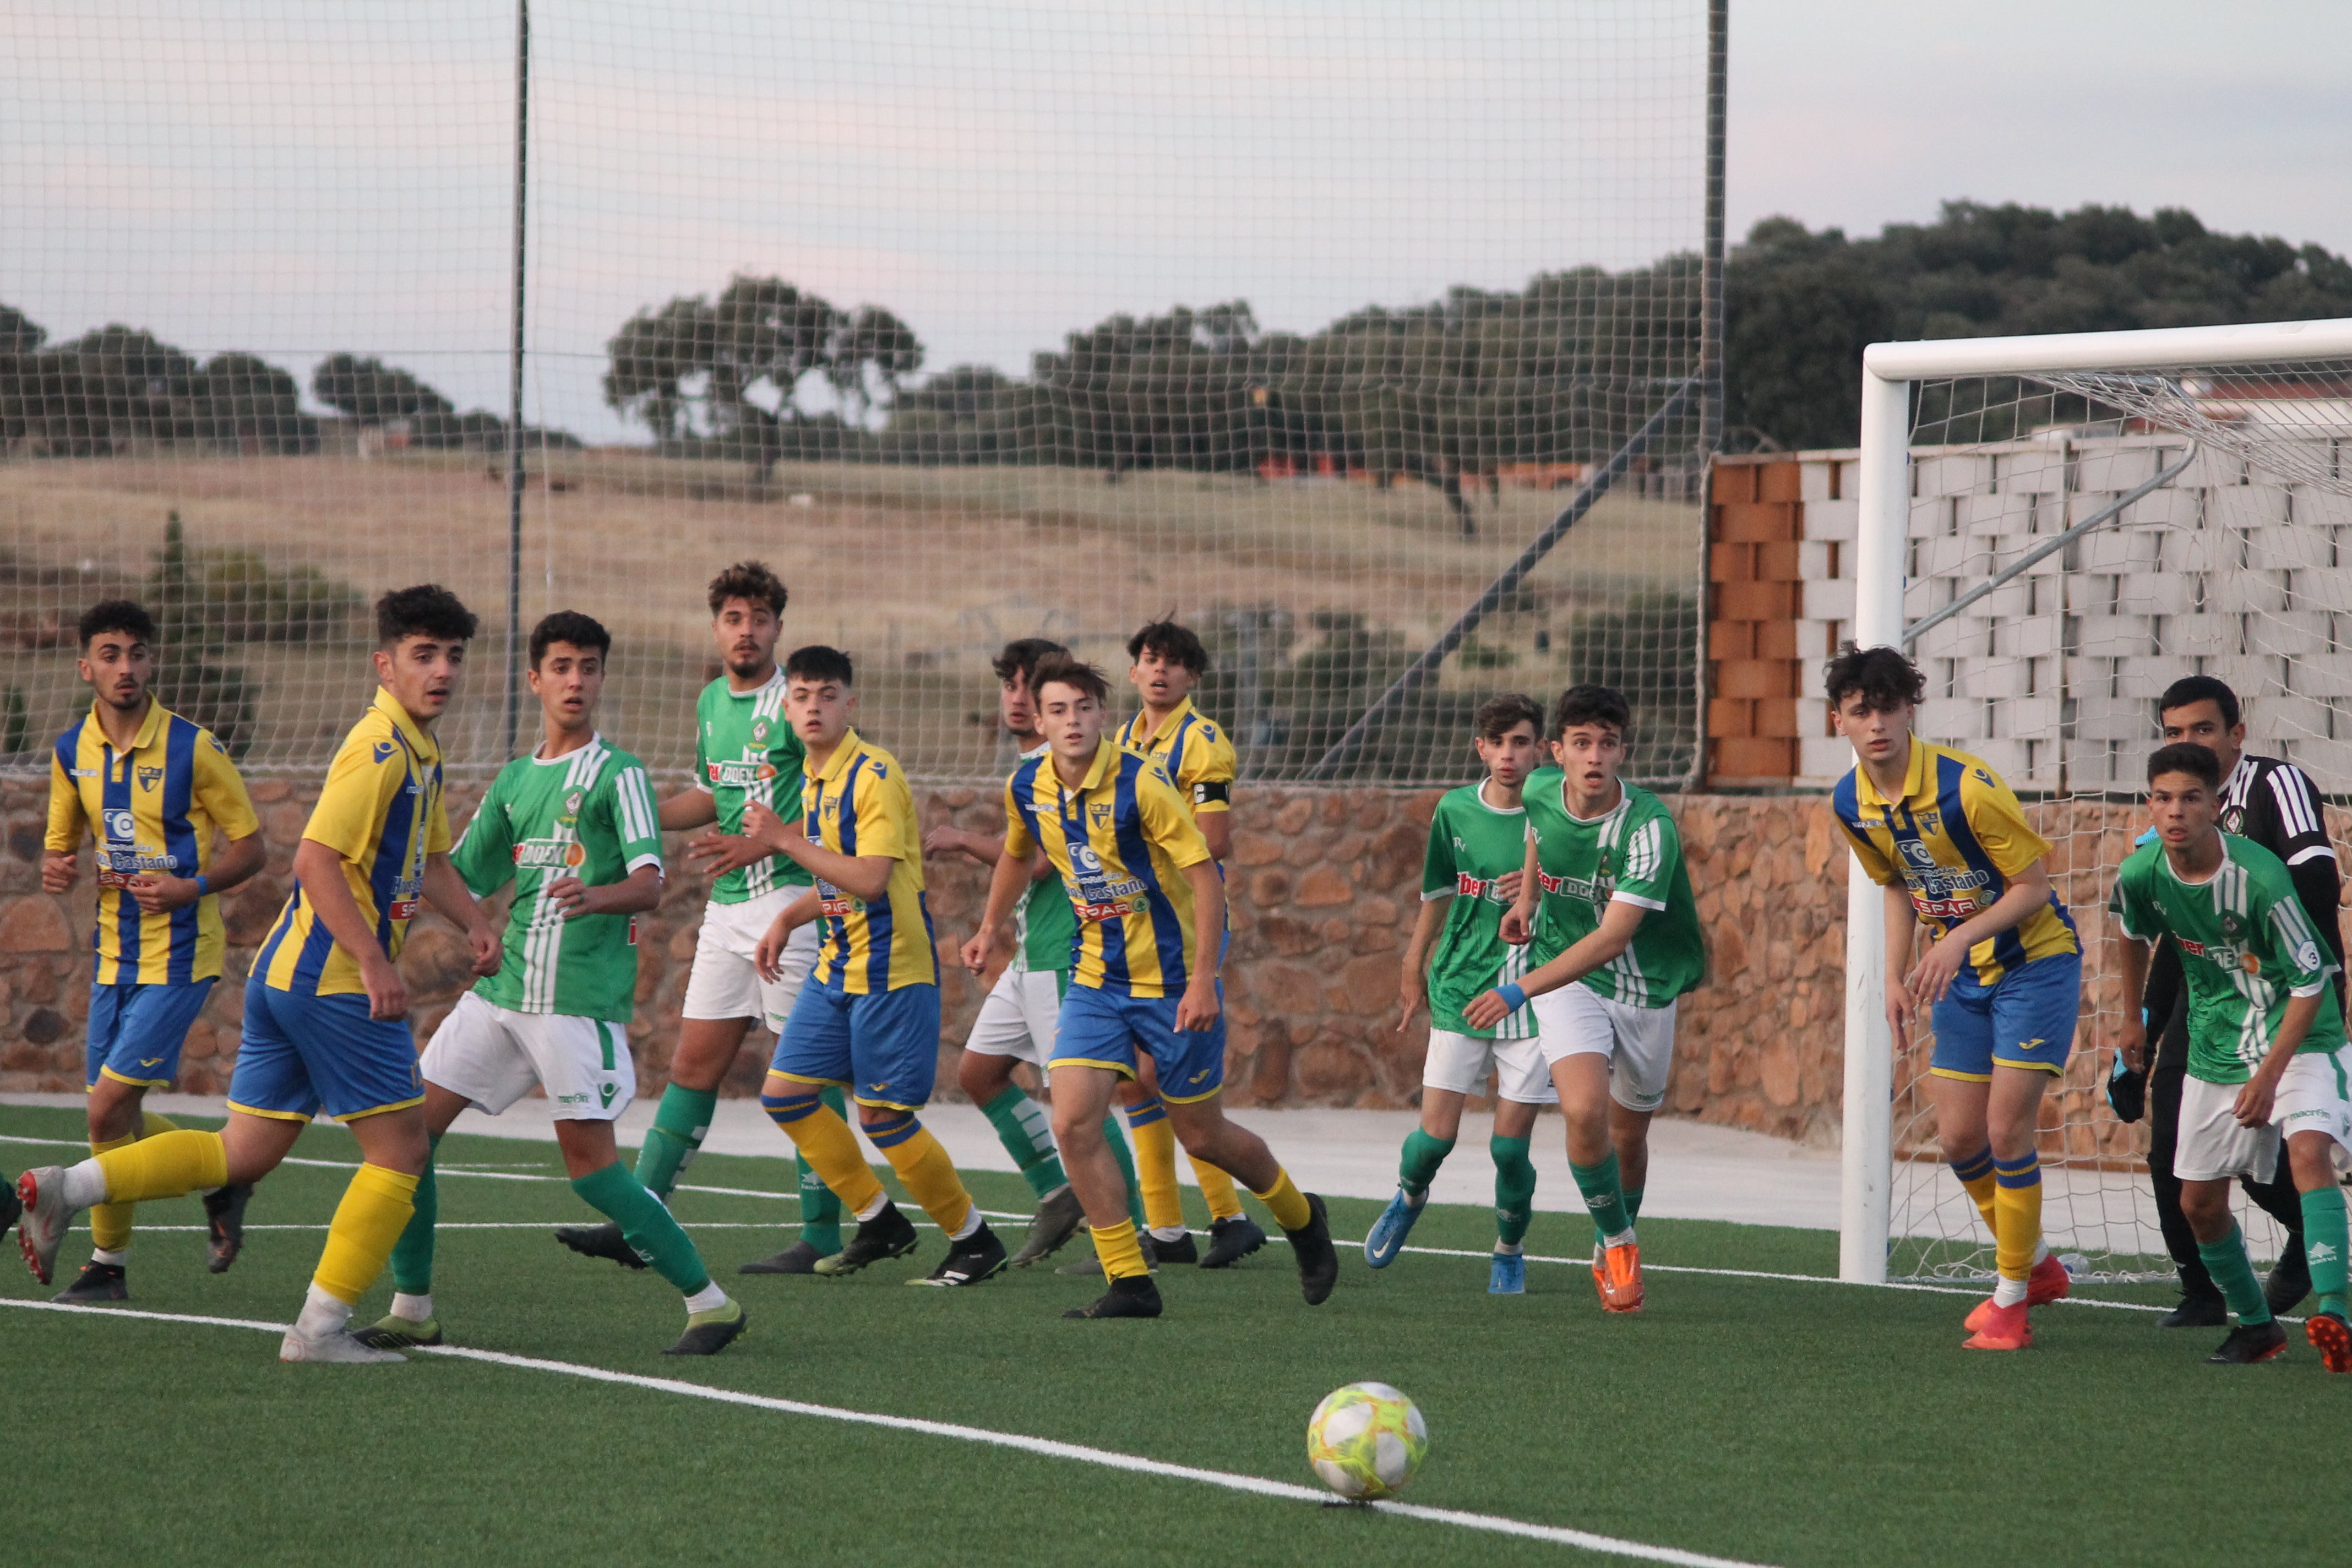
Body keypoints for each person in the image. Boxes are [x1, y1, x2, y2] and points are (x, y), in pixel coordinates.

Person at [19, 586, 502, 1363]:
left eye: (452, 656)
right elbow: (313, 861)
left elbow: (430, 858)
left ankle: (65, 1187)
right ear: (386, 664)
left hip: (287, 978)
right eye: (423, 655)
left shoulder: (420, 747)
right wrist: (375, 959)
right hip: (335, 984)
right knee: (402, 1153)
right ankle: (319, 1330)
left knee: (242, 1151)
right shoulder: (378, 749)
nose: (441, 670)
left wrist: (474, 920)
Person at [357, 612, 746, 1357]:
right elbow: (463, 876)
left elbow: (649, 882)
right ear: (534, 679)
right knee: (407, 1137)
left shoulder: (618, 774)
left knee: (592, 1173)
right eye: (562, 666)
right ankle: (412, 1307)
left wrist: (595, 895)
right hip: (502, 995)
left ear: (601, 678)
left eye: (589, 667)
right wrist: (404, 904)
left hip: (574, 1003)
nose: (576, 681)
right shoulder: (514, 780)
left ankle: (711, 1303)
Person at [963, 653, 1337, 1319]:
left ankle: (1302, 1217)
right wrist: (992, 926)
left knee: (1202, 1134)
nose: (1072, 721)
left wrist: (1202, 981)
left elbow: (1204, 877)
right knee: (1074, 1120)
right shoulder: (1027, 787)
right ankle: (1130, 1280)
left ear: (1103, 715)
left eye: (1083, 707)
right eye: (1057, 710)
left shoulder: (1143, 784)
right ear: (1039, 722)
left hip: (1171, 985)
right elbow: (1021, 853)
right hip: (1094, 980)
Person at [553, 562, 847, 1277]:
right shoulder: (713, 699)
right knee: (692, 1065)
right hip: (728, 906)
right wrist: (634, 809)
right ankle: (641, 1220)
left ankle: (828, 1232)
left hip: (790, 901)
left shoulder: (797, 701)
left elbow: (834, 794)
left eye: (760, 620)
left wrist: (765, 841)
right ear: (717, 627)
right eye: (734, 619)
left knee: (801, 1072)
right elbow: (711, 796)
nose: (747, 632)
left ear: (779, 627)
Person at [1820, 644, 2079, 1351]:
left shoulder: (1969, 788)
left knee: (2006, 1133)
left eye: (1888, 707)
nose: (1876, 723)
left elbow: (2033, 888)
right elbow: (1897, 883)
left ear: (1912, 709)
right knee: (1960, 1138)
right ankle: (2038, 1266)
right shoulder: (1851, 802)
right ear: (1837, 720)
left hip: (2034, 967)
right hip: (1957, 978)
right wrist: (1897, 975)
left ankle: (2009, 1301)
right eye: (1860, 711)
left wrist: (1958, 938)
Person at [738, 645, 1006, 1286]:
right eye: (800, 696)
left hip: (890, 968)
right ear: (785, 706)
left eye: (826, 695)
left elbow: (869, 878)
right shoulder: (815, 775)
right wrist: (787, 917)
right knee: (785, 1094)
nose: (812, 707)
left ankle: (974, 1240)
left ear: (849, 703)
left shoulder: (874, 772)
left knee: (883, 1117)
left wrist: (783, 840)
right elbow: (834, 877)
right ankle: (881, 1221)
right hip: (838, 966)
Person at [39, 599, 266, 1301]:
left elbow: (253, 848)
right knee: (116, 1118)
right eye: (110, 654)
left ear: (153, 661)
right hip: (113, 957)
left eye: (137, 652)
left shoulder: (193, 747)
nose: (126, 667)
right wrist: (57, 865)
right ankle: (220, 1176)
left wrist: (189, 886)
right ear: (87, 667)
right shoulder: (71, 749)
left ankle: (107, 1259)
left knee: (108, 1111)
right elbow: (61, 839)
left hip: (181, 956)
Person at [1465, 685, 1706, 1315]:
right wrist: (1528, 900)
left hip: (1646, 987)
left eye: (1607, 743)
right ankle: (1621, 1242)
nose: (1595, 756)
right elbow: (1539, 837)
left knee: (1629, 1136)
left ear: (1623, 749)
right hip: (1567, 978)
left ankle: (1612, 1230)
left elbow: (1613, 938)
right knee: (1582, 1110)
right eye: (1581, 743)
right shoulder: (1541, 788)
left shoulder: (1648, 826)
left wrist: (1516, 987)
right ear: (1558, 751)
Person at [2110, 743, 2352, 1369]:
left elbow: (2310, 983)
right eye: (2163, 798)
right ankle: (2256, 1326)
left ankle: (2335, 1310)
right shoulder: (2141, 873)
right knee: (2198, 1203)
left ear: (2217, 806)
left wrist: (2270, 1077)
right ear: (2149, 804)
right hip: (2218, 1043)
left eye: (2191, 798)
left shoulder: (2263, 876)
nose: (2175, 811)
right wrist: (2132, 1017)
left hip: (2303, 1034)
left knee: (2308, 1153)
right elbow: (2132, 933)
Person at [923, 638, 1148, 1267]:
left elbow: (1043, 861)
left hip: (1067, 954)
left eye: (1029, 688)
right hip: (1028, 956)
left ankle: (1131, 1236)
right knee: (979, 1072)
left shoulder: (1072, 764)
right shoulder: (1027, 771)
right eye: (1010, 686)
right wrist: (992, 929)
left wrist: (969, 840)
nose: (1017, 699)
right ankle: (1058, 1191)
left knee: (1080, 1102)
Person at [1365, 693, 1550, 1294]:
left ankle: (1509, 1248)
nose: (1508, 754)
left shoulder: (1558, 813)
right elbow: (1437, 892)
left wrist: (1536, 891)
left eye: (1520, 742)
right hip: (1459, 987)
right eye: (1497, 743)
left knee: (1508, 1150)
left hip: (1532, 997)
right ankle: (1410, 1194)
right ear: (1481, 749)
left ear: (1540, 749)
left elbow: (1587, 898)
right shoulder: (1454, 810)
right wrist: (1412, 964)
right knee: (1434, 1139)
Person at [1110, 618, 1262, 1268]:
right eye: (1150, 659)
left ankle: (1225, 1217)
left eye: (1175, 662)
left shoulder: (1201, 741)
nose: (1161, 670)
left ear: (1193, 677)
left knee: (1159, 1076)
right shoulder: (1121, 738)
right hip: (1137, 920)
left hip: (1183, 923)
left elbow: (1216, 840)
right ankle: (1176, 1229)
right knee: (1136, 1081)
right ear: (1135, 670)